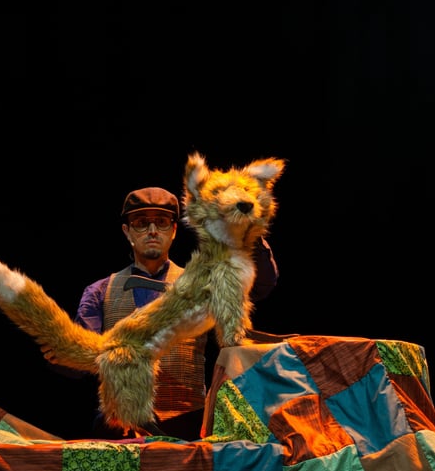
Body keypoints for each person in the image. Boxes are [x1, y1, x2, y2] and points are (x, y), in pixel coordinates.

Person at [68, 186, 279, 441]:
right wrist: (62, 351)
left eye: (161, 222)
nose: (152, 230)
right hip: (120, 431)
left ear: (174, 230)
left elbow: (260, 284)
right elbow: (78, 360)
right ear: (127, 231)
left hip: (187, 427)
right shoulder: (100, 291)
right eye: (141, 223)